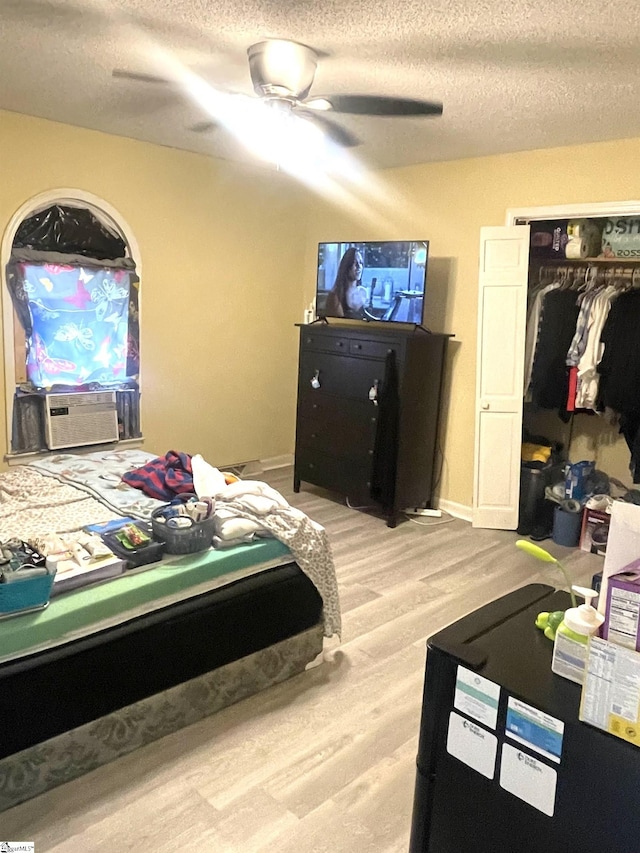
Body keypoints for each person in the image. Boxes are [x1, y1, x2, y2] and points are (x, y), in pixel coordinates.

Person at [325, 247, 367, 319]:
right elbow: (340, 324)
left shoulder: (362, 292)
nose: (359, 266)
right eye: (354, 262)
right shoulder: (335, 296)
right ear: (346, 266)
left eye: (361, 263)